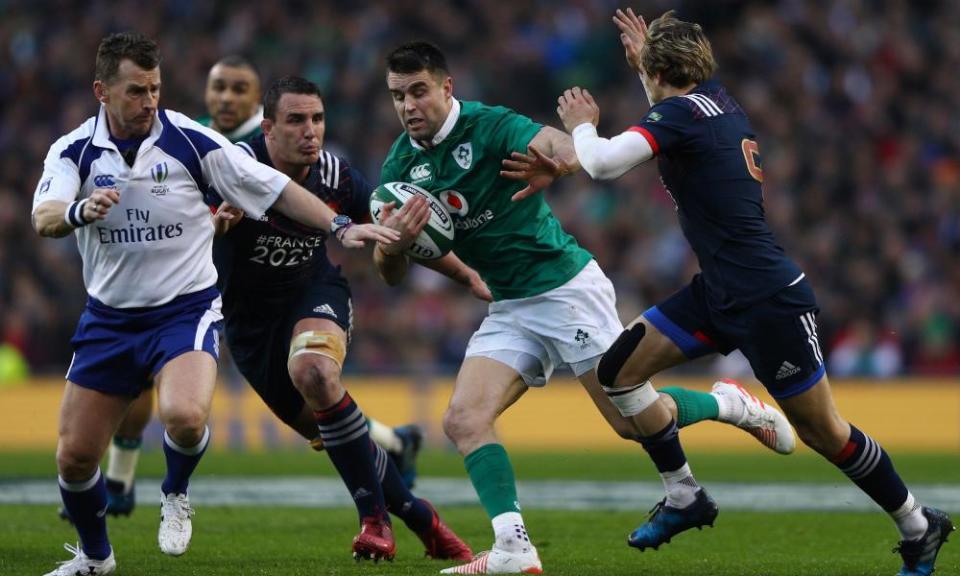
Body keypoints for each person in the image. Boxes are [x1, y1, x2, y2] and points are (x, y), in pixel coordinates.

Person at [530, 9, 953, 576]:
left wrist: (583, 122)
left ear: (661, 72)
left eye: (650, 70)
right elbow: (671, 105)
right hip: (719, 291)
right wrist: (645, 68)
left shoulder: (681, 114)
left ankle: (918, 525)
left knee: (823, 432)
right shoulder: (715, 101)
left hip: (767, 299)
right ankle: (684, 495)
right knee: (619, 372)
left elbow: (603, 165)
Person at [373, 41, 796, 575]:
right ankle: (513, 548)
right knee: (463, 418)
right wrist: (390, 245)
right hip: (511, 307)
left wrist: (562, 160)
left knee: (632, 424)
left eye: (418, 92)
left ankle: (730, 404)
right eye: (397, 96)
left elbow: (557, 144)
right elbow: (388, 273)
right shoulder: (401, 165)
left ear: (446, 88)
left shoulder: (489, 126)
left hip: (566, 290)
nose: (408, 106)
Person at [32, 32, 398, 576]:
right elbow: (45, 217)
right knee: (75, 457)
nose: (150, 101)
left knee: (183, 415)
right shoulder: (73, 151)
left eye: (155, 88)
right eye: (136, 91)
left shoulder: (191, 141)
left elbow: (273, 188)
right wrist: (82, 211)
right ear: (101, 92)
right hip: (109, 318)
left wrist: (340, 223)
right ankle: (94, 556)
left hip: (185, 308)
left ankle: (175, 492)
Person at [90, 56, 424, 522]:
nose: (226, 97)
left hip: (291, 293)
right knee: (317, 414)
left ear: (257, 107)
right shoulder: (186, 139)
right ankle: (391, 442)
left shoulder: (276, 153)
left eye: (238, 89)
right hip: (225, 303)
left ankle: (123, 483)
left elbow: (357, 218)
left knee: (314, 379)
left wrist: (449, 267)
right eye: (218, 87)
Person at [211, 74, 473, 562]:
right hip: (249, 328)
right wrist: (213, 228)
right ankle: (421, 518)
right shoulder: (233, 168)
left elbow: (401, 233)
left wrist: (469, 278)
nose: (310, 131)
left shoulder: (336, 176)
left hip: (314, 293)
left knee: (314, 370)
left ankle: (375, 523)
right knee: (334, 434)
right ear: (267, 128)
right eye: (295, 120)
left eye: (317, 119)